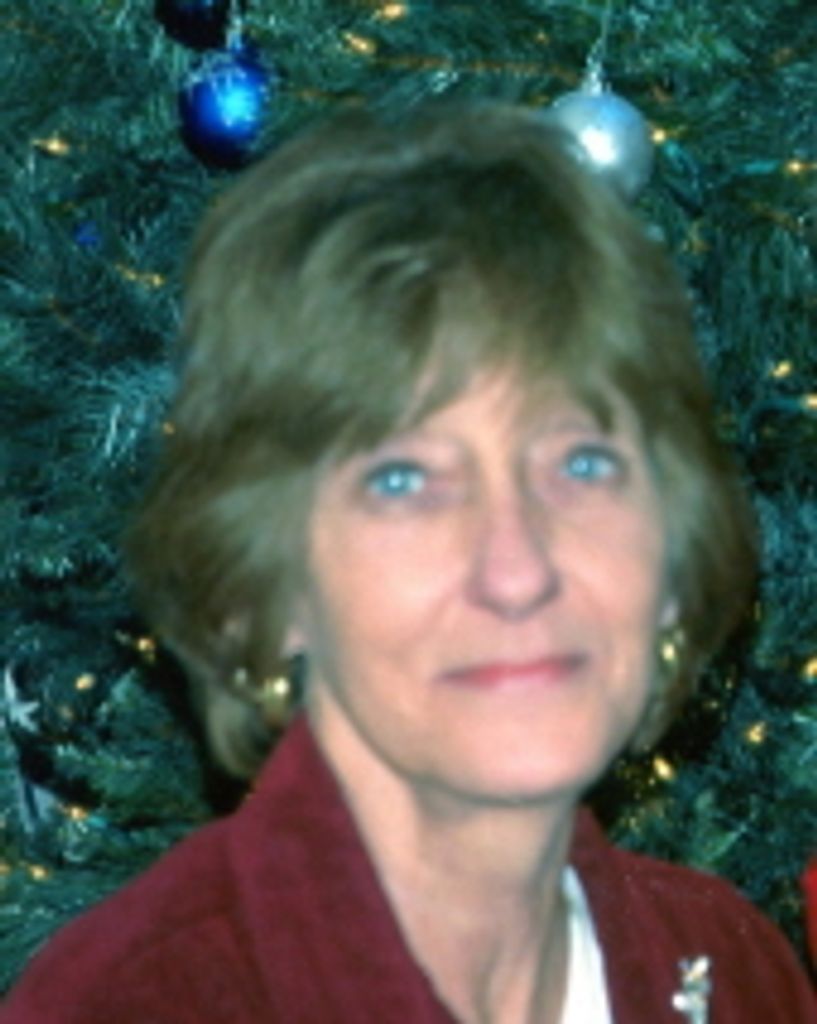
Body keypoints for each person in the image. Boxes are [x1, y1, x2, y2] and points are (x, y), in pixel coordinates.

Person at [2, 100, 814, 1024]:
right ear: (267, 583)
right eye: (404, 482)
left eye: (582, 464)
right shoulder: (139, 1003)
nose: (518, 572)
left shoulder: (730, 967)